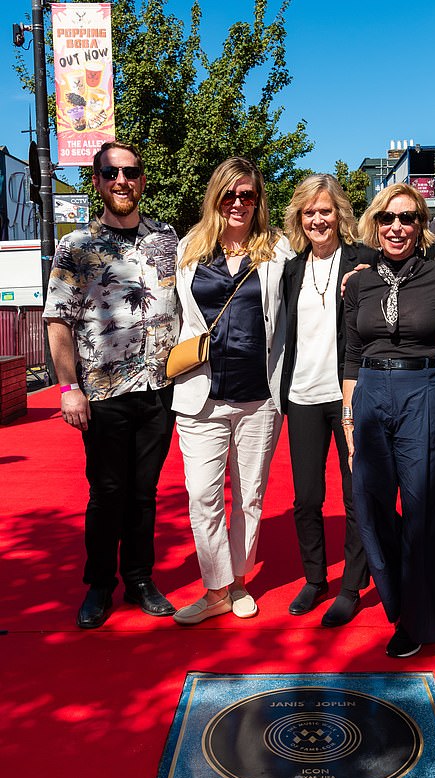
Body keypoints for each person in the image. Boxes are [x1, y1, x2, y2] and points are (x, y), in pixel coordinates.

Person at [44, 141, 179, 628]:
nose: (122, 180)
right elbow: (58, 319)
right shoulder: (77, 246)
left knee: (145, 492)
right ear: (97, 181)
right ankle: (100, 583)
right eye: (111, 173)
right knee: (106, 491)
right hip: (102, 393)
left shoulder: (167, 238)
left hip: (160, 389)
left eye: (131, 172)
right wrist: (67, 388)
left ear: (142, 180)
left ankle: (140, 579)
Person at [171, 157, 293, 625]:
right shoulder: (188, 250)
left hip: (259, 396)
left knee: (249, 498)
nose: (239, 203)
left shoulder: (277, 251)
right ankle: (215, 588)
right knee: (202, 495)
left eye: (248, 195)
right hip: (200, 394)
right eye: (230, 195)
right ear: (215, 198)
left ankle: (238, 582)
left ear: (259, 201)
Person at [342, 183, 435, 658]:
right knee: (370, 503)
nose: (397, 227)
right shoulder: (358, 282)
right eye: (388, 219)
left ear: (421, 225)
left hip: (423, 392)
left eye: (407, 218)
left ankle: (418, 616)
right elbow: (350, 353)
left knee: (422, 505)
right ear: (375, 224)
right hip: (369, 393)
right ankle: (397, 598)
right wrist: (349, 418)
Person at [280, 175, 372, 627]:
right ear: (300, 218)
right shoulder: (291, 269)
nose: (318, 219)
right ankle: (315, 579)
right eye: (309, 212)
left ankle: (352, 587)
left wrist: (366, 279)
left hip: (349, 395)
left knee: (355, 496)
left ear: (340, 214)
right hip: (302, 396)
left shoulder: (364, 261)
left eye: (326, 210)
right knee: (307, 498)